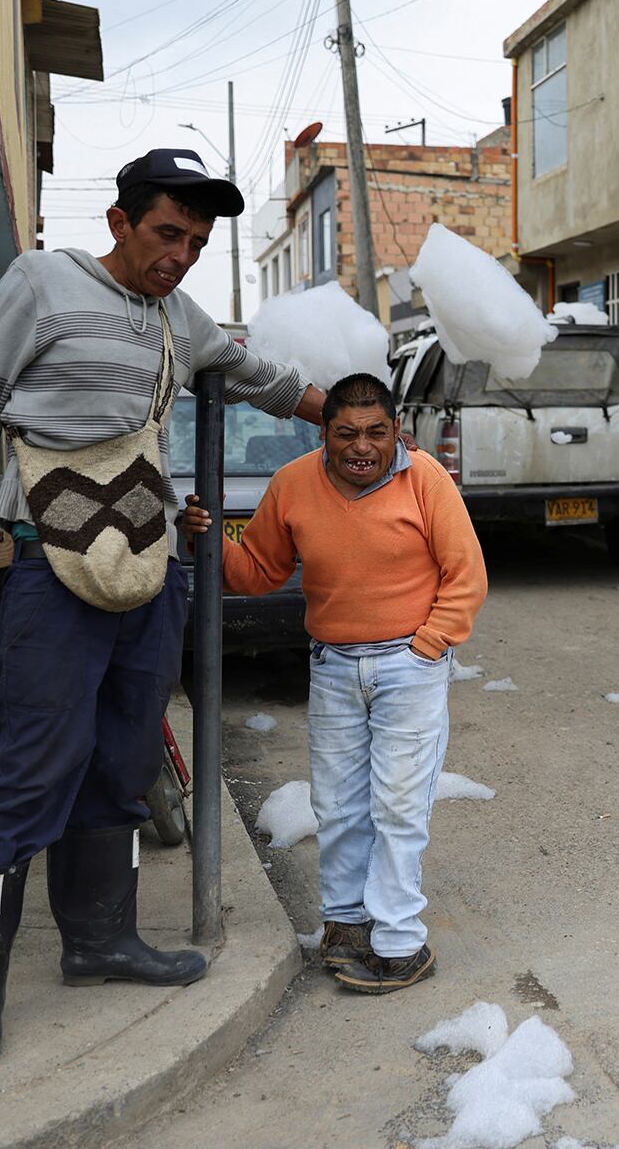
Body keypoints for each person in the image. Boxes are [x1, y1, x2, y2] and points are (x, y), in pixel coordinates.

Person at [0, 149, 328, 1066]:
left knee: (127, 754)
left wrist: (335, 412)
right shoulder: (42, 284)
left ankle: (99, 941)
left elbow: (258, 373)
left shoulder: (183, 319)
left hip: (148, 570)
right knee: (33, 764)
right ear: (119, 222)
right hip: (47, 568)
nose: (181, 254)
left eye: (197, 239)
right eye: (166, 233)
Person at [223, 372, 487, 994]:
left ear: (396, 431)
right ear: (324, 432)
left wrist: (428, 646)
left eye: (375, 432)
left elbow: (466, 574)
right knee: (338, 808)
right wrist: (206, 541)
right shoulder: (292, 484)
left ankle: (399, 942)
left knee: (398, 806)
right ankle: (345, 927)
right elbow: (259, 572)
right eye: (346, 433)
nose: (361, 446)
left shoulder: (426, 481)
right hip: (334, 666)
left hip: (410, 665)